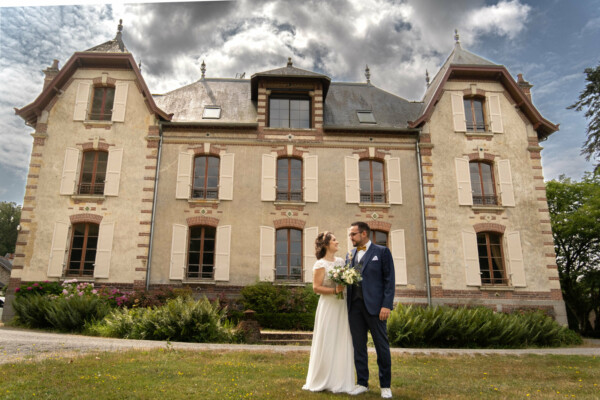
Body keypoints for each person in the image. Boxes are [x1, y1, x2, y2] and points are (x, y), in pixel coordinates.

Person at [302, 231, 355, 394]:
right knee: (328, 338)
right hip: (328, 305)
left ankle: (340, 380)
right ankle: (322, 379)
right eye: (334, 240)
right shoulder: (320, 264)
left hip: (341, 305)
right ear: (326, 245)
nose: (337, 242)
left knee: (341, 338)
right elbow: (316, 288)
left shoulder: (340, 261)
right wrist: (334, 290)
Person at [347, 221, 395, 399]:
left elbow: (389, 280)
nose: (351, 237)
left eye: (353, 234)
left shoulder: (381, 252)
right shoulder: (350, 254)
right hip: (355, 308)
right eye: (350, 235)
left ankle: (385, 386)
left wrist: (386, 305)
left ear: (364, 234)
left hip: (376, 307)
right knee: (359, 346)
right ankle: (362, 383)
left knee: (382, 347)